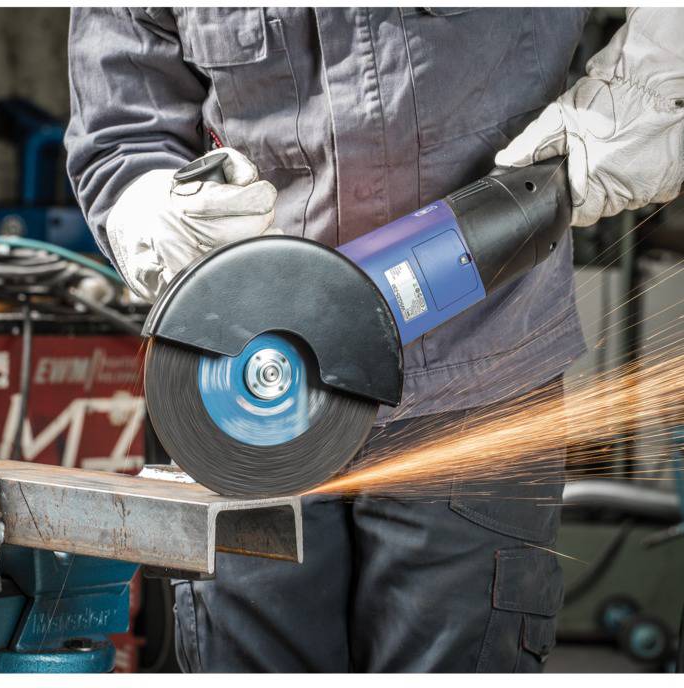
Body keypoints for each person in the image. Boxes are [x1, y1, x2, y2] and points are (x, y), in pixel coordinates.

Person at [64, 8, 684, 672]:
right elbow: (122, 122)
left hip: (478, 376)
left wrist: (654, 84)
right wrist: (153, 206)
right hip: (248, 392)